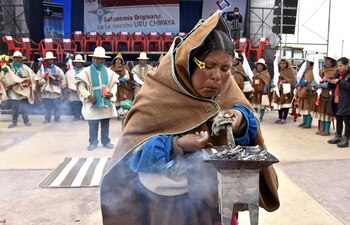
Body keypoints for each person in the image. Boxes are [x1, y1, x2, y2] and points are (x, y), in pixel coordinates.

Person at [100, 12, 279, 225]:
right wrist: (176, 144)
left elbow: (249, 133)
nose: (217, 77)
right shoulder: (158, 94)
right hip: (167, 208)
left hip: (213, 204)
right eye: (209, 66)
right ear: (189, 64)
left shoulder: (227, 90)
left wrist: (240, 121)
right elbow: (132, 155)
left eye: (225, 68)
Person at [75, 46, 119, 151]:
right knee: (93, 124)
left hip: (105, 103)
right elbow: (80, 85)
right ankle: (93, 142)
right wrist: (88, 96)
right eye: (97, 58)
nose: (99, 60)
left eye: (101, 59)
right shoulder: (86, 72)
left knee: (105, 124)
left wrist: (112, 93)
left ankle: (106, 141)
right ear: (93, 58)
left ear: (104, 59)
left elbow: (115, 84)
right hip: (93, 103)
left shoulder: (109, 72)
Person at [1, 51, 36, 128]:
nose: (18, 59)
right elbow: (4, 78)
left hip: (23, 90)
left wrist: (28, 80)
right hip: (14, 91)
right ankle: (14, 123)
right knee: (14, 108)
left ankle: (26, 121)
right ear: (13, 58)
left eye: (19, 58)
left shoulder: (25, 67)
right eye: (16, 58)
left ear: (21, 59)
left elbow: (32, 76)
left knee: (24, 107)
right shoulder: (8, 67)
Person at [36, 51, 66, 124]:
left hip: (55, 92)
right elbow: (38, 80)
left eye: (51, 59)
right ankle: (47, 118)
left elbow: (63, 79)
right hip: (46, 92)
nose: (50, 60)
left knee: (57, 106)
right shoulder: (41, 70)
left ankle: (57, 118)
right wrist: (44, 79)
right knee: (46, 107)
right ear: (46, 60)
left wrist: (58, 82)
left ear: (53, 60)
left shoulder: (58, 69)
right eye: (48, 59)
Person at [327, 57, 350, 148]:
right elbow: (332, 86)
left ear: (347, 65)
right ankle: (338, 136)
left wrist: (339, 82)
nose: (339, 68)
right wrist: (330, 82)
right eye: (338, 66)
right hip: (337, 99)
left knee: (347, 120)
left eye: (341, 66)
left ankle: (346, 138)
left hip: (347, 101)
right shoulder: (337, 73)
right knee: (338, 118)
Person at [316, 55, 337, 135]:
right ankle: (322, 128)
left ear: (332, 62)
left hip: (329, 95)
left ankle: (327, 130)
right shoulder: (324, 71)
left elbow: (333, 82)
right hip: (322, 94)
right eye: (325, 61)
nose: (326, 62)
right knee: (322, 111)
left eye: (327, 61)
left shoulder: (335, 71)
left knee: (328, 112)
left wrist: (324, 85)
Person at [271, 57, 296, 124]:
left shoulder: (290, 71)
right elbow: (275, 78)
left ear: (287, 64)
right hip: (279, 90)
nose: (282, 65)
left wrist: (286, 81)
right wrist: (274, 83)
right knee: (280, 105)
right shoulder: (278, 71)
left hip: (286, 91)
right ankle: (280, 118)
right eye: (281, 64)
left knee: (286, 105)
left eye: (284, 63)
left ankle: (284, 118)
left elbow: (293, 80)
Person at [65, 54, 85, 121]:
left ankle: (83, 115)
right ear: (75, 63)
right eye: (77, 62)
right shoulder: (70, 72)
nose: (78, 63)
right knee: (75, 104)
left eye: (80, 62)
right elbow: (67, 80)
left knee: (83, 103)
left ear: (82, 63)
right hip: (73, 90)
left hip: (83, 90)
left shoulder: (86, 71)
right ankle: (76, 116)